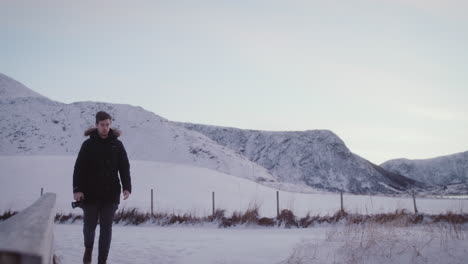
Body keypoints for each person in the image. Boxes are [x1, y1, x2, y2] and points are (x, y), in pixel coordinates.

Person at [73, 111, 132, 264]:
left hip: (110, 194)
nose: (105, 128)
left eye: (107, 124)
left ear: (110, 124)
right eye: (102, 125)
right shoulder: (88, 144)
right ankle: (88, 249)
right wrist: (77, 189)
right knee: (89, 228)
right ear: (96, 125)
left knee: (106, 229)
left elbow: (124, 167)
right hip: (90, 194)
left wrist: (127, 187)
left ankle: (102, 261)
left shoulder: (117, 145)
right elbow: (79, 167)